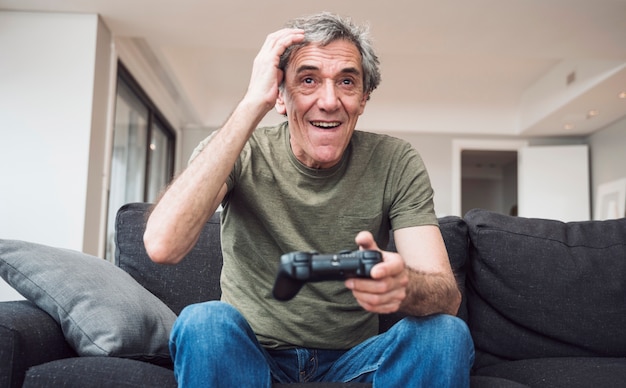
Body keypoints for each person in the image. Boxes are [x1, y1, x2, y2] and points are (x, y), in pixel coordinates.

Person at [144, 12, 474, 387]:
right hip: (254, 356)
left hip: (356, 363)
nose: (329, 100)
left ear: (363, 99)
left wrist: (406, 285)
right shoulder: (241, 150)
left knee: (445, 334)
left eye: (346, 82)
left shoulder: (396, 161)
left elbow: (447, 299)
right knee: (204, 322)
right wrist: (253, 102)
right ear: (281, 96)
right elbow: (161, 245)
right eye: (308, 80)